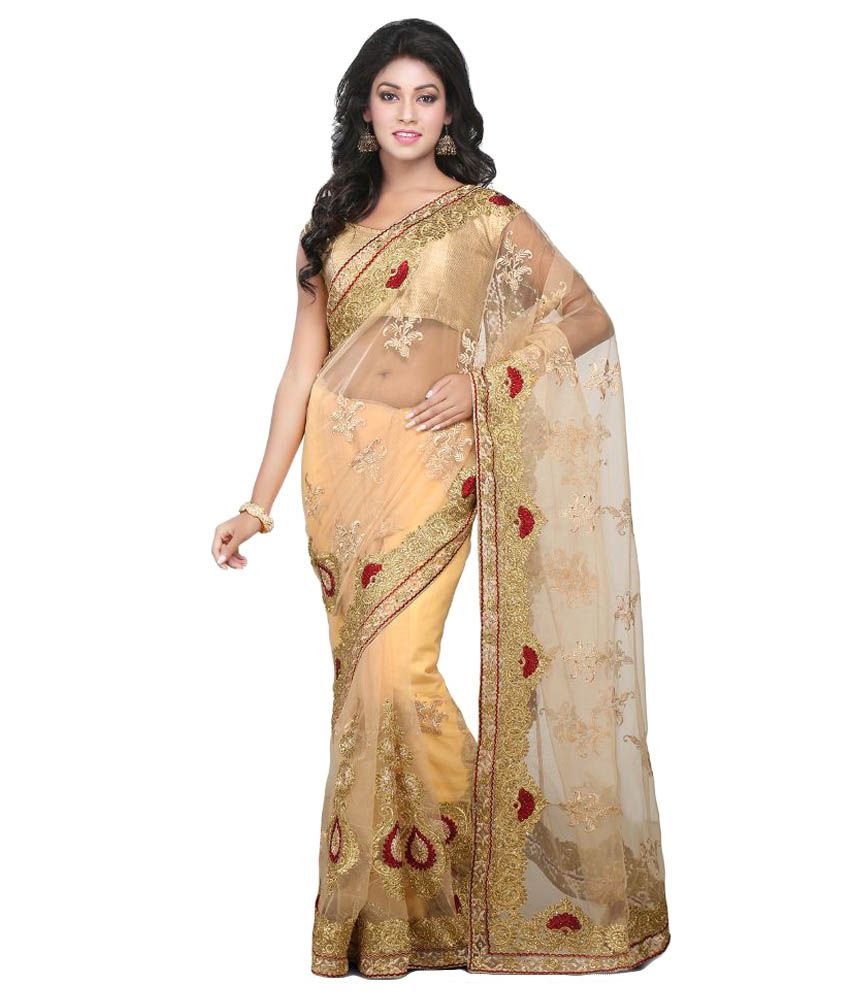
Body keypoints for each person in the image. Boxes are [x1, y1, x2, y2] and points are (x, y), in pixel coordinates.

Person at [211, 17, 670, 980]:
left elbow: (586, 316)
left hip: (432, 463)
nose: (407, 114)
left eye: (426, 96)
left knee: (397, 676)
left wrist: (486, 378)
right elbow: (299, 371)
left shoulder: (486, 217)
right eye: (390, 96)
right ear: (364, 111)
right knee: (366, 696)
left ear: (452, 112)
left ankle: (540, 866)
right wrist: (257, 501)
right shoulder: (330, 227)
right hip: (338, 478)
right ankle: (406, 916)